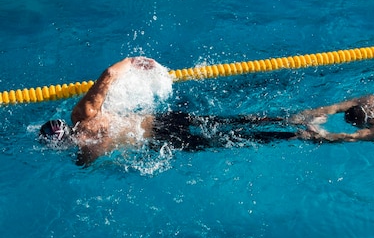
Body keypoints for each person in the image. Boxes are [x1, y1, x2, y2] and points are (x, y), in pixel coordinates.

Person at [39, 57, 296, 165]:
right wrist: (133, 62)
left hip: (158, 141)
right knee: (229, 123)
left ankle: (296, 134)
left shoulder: (85, 156)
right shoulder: (83, 115)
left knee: (229, 140)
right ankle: (290, 119)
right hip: (159, 122)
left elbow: (112, 163)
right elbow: (108, 75)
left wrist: (132, 63)